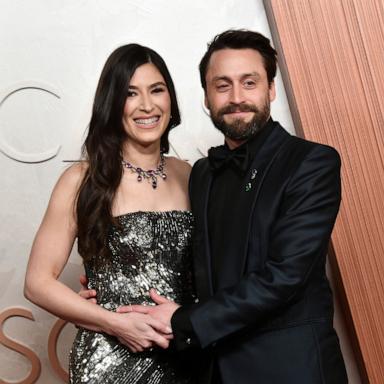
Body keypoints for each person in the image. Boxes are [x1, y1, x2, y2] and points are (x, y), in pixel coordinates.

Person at [116, 30, 348, 383]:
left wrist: (184, 322)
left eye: (249, 83)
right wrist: (115, 276)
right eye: (222, 86)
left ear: (271, 89)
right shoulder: (203, 174)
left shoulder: (311, 163)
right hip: (213, 370)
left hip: (291, 370)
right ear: (207, 98)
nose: (236, 98)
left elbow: (284, 276)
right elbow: (188, 261)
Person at [24, 44, 196, 383]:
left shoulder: (192, 174)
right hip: (108, 362)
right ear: (112, 103)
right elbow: (37, 282)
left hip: (187, 358)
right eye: (131, 93)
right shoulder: (81, 180)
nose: (147, 105)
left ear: (170, 99)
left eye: (157, 90)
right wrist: (114, 322)